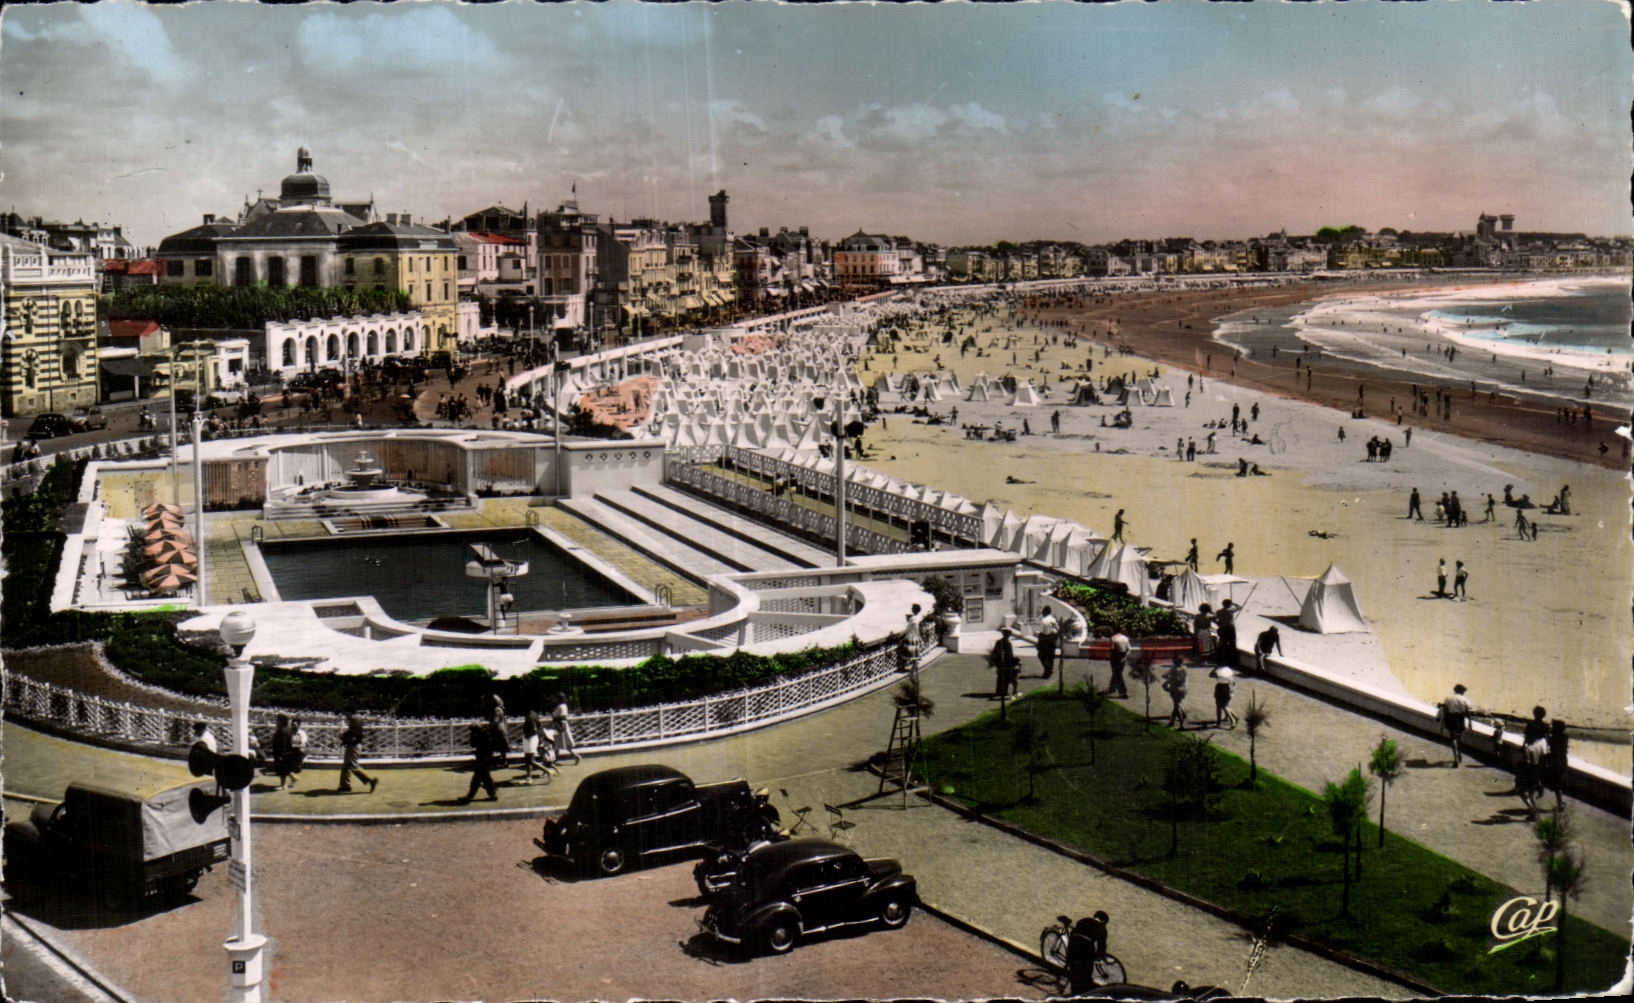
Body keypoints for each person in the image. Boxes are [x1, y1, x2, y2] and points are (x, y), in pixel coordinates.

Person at [1066, 911, 1112, 996]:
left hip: (1073, 945)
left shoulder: (1083, 920)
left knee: (1074, 971)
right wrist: (1099, 956)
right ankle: (1082, 993)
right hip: (1085, 948)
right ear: (1104, 922)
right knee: (1085, 972)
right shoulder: (1101, 928)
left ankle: (1074, 992)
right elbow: (1102, 945)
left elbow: (1072, 933)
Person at [1519, 706, 1550, 812]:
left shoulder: (1530, 725)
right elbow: (1547, 740)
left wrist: (1523, 746)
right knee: (1532, 787)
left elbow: (1526, 738)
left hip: (1531, 759)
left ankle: (1533, 809)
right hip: (1539, 761)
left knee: (1524, 790)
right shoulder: (1545, 728)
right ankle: (1534, 805)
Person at [462, 720, 501, 803]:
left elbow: (474, 744)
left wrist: (473, 736)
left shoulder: (480, 735)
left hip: (483, 759)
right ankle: (492, 795)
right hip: (485, 758)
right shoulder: (484, 733)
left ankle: (470, 796)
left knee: (478, 779)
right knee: (485, 778)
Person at [338, 713, 378, 794]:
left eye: (346, 714)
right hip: (352, 745)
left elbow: (354, 735)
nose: (346, 716)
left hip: (354, 746)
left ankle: (370, 780)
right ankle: (345, 786)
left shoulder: (356, 721)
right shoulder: (354, 721)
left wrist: (343, 736)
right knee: (346, 765)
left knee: (353, 766)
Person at [1439, 684, 1473, 767]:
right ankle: (1459, 754)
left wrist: (1442, 724)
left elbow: (1444, 712)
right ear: (1461, 691)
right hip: (1460, 719)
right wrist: (1470, 722)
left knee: (1453, 738)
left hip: (1451, 719)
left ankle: (1455, 758)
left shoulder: (1448, 698)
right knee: (1459, 737)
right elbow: (1468, 712)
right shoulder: (1464, 700)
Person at [990, 627, 1020, 698]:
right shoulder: (1008, 643)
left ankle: (999, 691)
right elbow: (1010, 654)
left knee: (1000, 677)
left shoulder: (998, 642)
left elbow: (995, 652)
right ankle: (1004, 691)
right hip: (1006, 662)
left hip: (1000, 662)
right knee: (1006, 677)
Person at [551, 694, 581, 765]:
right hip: (560, 724)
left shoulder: (561, 706)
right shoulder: (562, 705)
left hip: (559, 725)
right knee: (559, 743)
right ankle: (575, 756)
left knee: (557, 742)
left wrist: (554, 717)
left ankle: (575, 756)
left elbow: (562, 716)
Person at [270, 714, 296, 790]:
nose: (276, 721)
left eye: (277, 720)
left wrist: (281, 755)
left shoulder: (282, 731)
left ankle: (283, 785)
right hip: (287, 752)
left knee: (282, 769)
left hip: (282, 752)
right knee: (285, 768)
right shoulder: (287, 729)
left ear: (281, 721)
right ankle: (293, 778)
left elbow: (283, 743)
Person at [1162, 658, 1189, 729]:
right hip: (1184, 688)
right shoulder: (1184, 668)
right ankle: (1172, 721)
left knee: (1177, 706)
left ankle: (1181, 723)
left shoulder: (1174, 669)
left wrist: (1169, 679)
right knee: (1176, 705)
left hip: (1175, 688)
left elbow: (1164, 675)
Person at [1209, 665, 1238, 729]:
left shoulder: (1219, 672)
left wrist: (1215, 669)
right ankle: (1233, 716)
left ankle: (1221, 721)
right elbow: (1233, 682)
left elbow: (1210, 675)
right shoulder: (1228, 670)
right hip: (1227, 687)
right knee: (1225, 705)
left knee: (1219, 705)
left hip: (1220, 688)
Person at [1035, 609, 1061, 680]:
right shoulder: (1054, 620)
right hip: (1053, 639)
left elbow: (1042, 632)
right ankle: (1048, 670)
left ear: (1045, 612)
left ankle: (1048, 669)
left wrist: (1039, 642)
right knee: (1050, 656)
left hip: (1045, 639)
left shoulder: (1044, 620)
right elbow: (1058, 629)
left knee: (1041, 655)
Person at [520, 708, 544, 783]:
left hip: (530, 737)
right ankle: (529, 776)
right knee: (530, 759)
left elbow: (534, 728)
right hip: (530, 737)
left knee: (530, 759)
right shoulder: (533, 714)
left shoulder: (530, 716)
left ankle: (529, 777)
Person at [1106, 628, 1131, 698]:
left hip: (1115, 656)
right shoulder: (1125, 638)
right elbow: (1129, 649)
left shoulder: (1113, 638)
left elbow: (1111, 649)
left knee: (1117, 674)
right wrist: (1125, 658)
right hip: (1123, 656)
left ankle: (1123, 692)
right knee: (1117, 673)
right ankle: (1112, 688)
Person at [1214, 599, 1237, 667]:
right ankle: (1232, 660)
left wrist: (1218, 623)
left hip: (1222, 628)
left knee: (1223, 643)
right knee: (1232, 643)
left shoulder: (1218, 611)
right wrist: (1233, 603)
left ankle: (1223, 659)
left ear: (1223, 604)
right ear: (1229, 605)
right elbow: (1240, 607)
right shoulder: (1231, 611)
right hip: (1230, 628)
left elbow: (1214, 618)